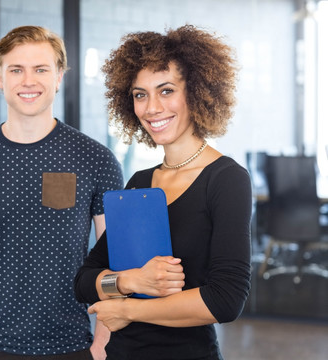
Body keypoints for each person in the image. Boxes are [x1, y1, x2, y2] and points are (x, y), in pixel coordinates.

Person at [0, 25, 123, 360]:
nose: (28, 81)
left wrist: (102, 344)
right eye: (16, 69)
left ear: (59, 76)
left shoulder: (95, 159)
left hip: (71, 345)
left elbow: (116, 259)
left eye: (40, 69)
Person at [74, 25, 252, 360]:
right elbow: (84, 280)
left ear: (197, 92)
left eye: (166, 90)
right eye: (140, 94)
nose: (152, 107)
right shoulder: (140, 182)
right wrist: (130, 281)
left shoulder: (227, 179)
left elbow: (226, 299)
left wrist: (129, 311)